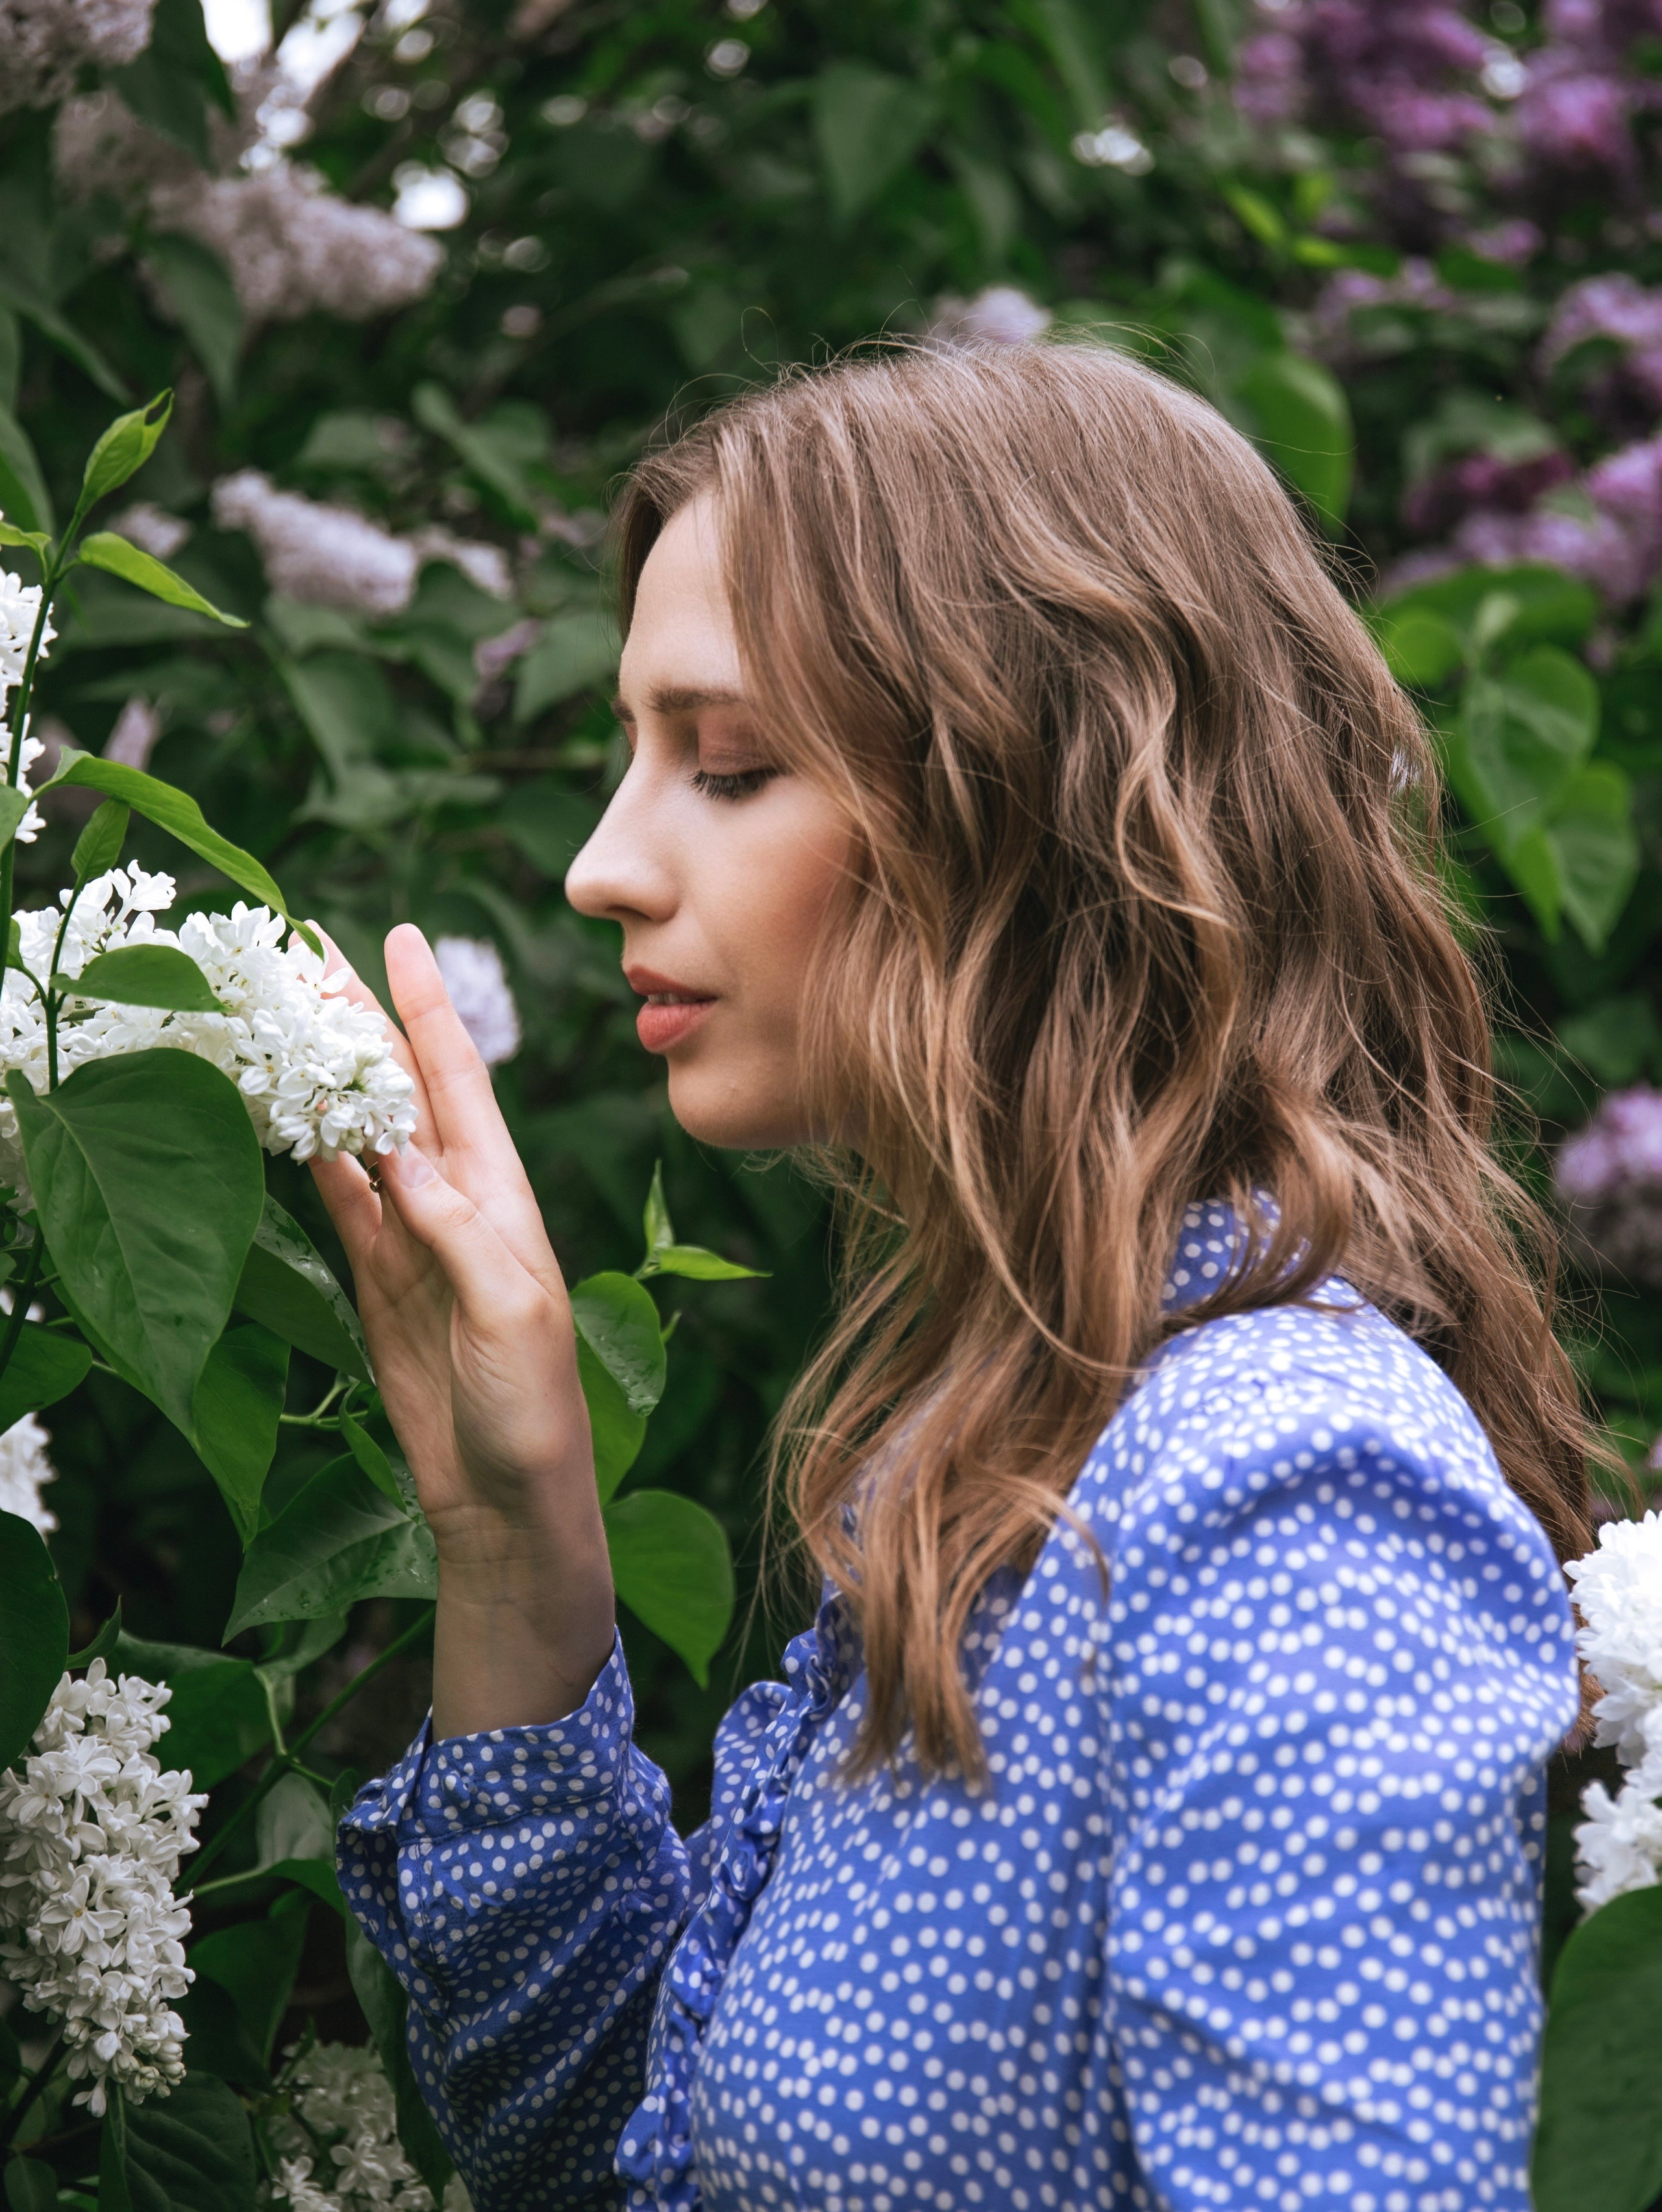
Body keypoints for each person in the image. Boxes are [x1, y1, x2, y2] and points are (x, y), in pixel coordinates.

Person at [319, 342, 1589, 2212]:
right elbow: (627, 2167)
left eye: (729, 765)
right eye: (632, 750)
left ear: (1033, 803)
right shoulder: (1016, 1447)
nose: (602, 864)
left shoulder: (1283, 1497)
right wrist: (514, 1535)